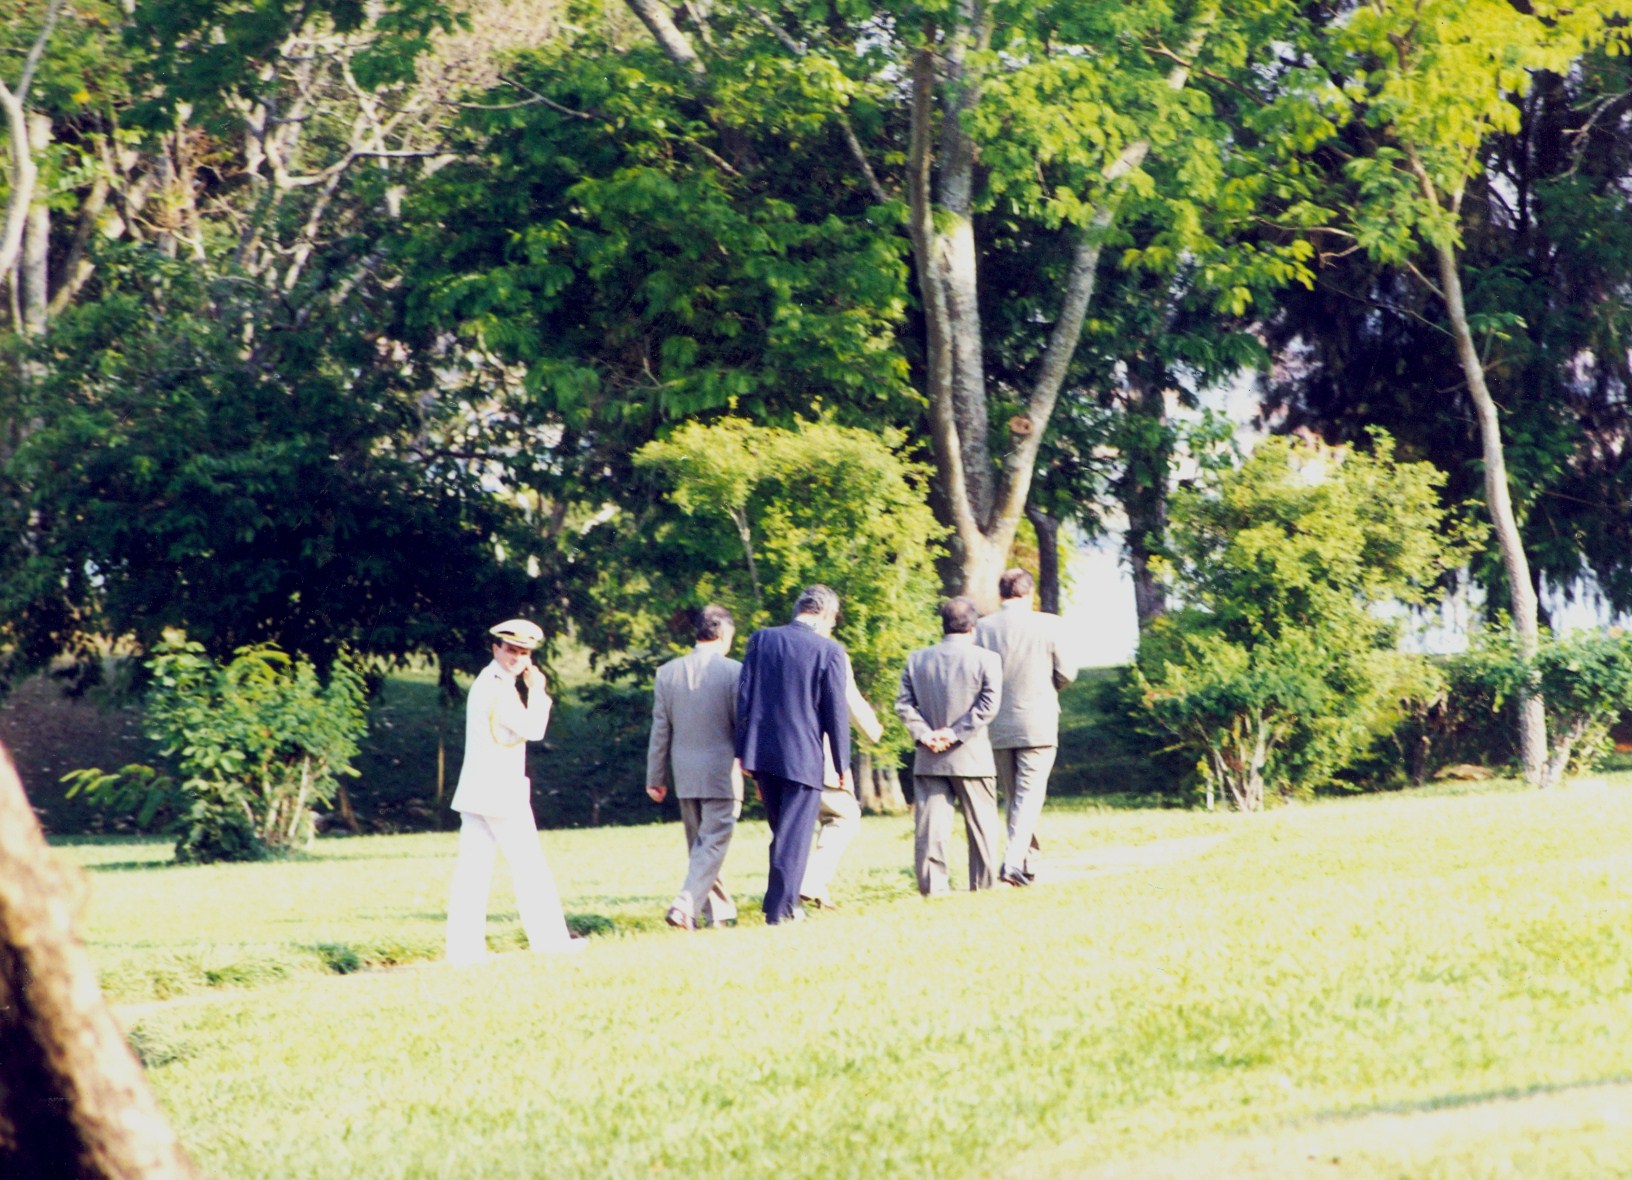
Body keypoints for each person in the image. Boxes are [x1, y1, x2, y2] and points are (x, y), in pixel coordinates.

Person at [444, 618, 582, 964]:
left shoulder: (489, 681)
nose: (516, 658)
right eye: (511, 650)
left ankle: (463, 952)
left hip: (480, 790)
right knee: (530, 868)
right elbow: (533, 730)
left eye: (523, 653)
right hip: (500, 793)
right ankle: (551, 943)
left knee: (473, 873)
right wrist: (538, 690)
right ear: (496, 649)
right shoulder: (499, 688)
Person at [735, 585, 851, 925]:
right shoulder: (830, 651)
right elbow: (835, 713)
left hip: (762, 754)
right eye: (834, 619)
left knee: (782, 833)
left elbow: (744, 699)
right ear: (826, 614)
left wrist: (743, 753)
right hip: (803, 756)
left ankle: (783, 904)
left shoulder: (761, 639)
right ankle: (780, 910)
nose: (833, 626)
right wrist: (842, 763)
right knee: (794, 837)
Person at [975, 568, 1077, 887]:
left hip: (996, 724)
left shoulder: (981, 629)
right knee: (1028, 797)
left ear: (1001, 593)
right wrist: (1047, 688)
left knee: (1015, 797)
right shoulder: (1050, 624)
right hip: (1038, 721)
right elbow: (1066, 672)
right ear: (1030, 593)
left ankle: (1026, 861)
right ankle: (1012, 863)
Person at [896, 597, 1004, 896]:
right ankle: (983, 886)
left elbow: (903, 704)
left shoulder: (917, 659)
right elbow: (988, 706)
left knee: (930, 829)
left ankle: (934, 888)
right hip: (972, 758)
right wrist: (955, 733)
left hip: (929, 757)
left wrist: (925, 734)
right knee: (981, 826)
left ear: (943, 625)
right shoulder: (987, 659)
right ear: (973, 626)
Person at [646, 604, 744, 931]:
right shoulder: (735, 671)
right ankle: (684, 905)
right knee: (712, 845)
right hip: (722, 774)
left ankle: (717, 913)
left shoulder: (667, 672)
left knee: (701, 849)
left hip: (685, 774)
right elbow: (744, 725)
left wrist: (655, 776)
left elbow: (661, 730)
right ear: (724, 633)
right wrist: (754, 766)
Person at [798, 651, 883, 912]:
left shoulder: (770, 648)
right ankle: (810, 881)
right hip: (818, 755)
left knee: (792, 828)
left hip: (777, 759)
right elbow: (847, 699)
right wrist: (873, 730)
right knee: (844, 817)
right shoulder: (830, 654)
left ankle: (804, 892)